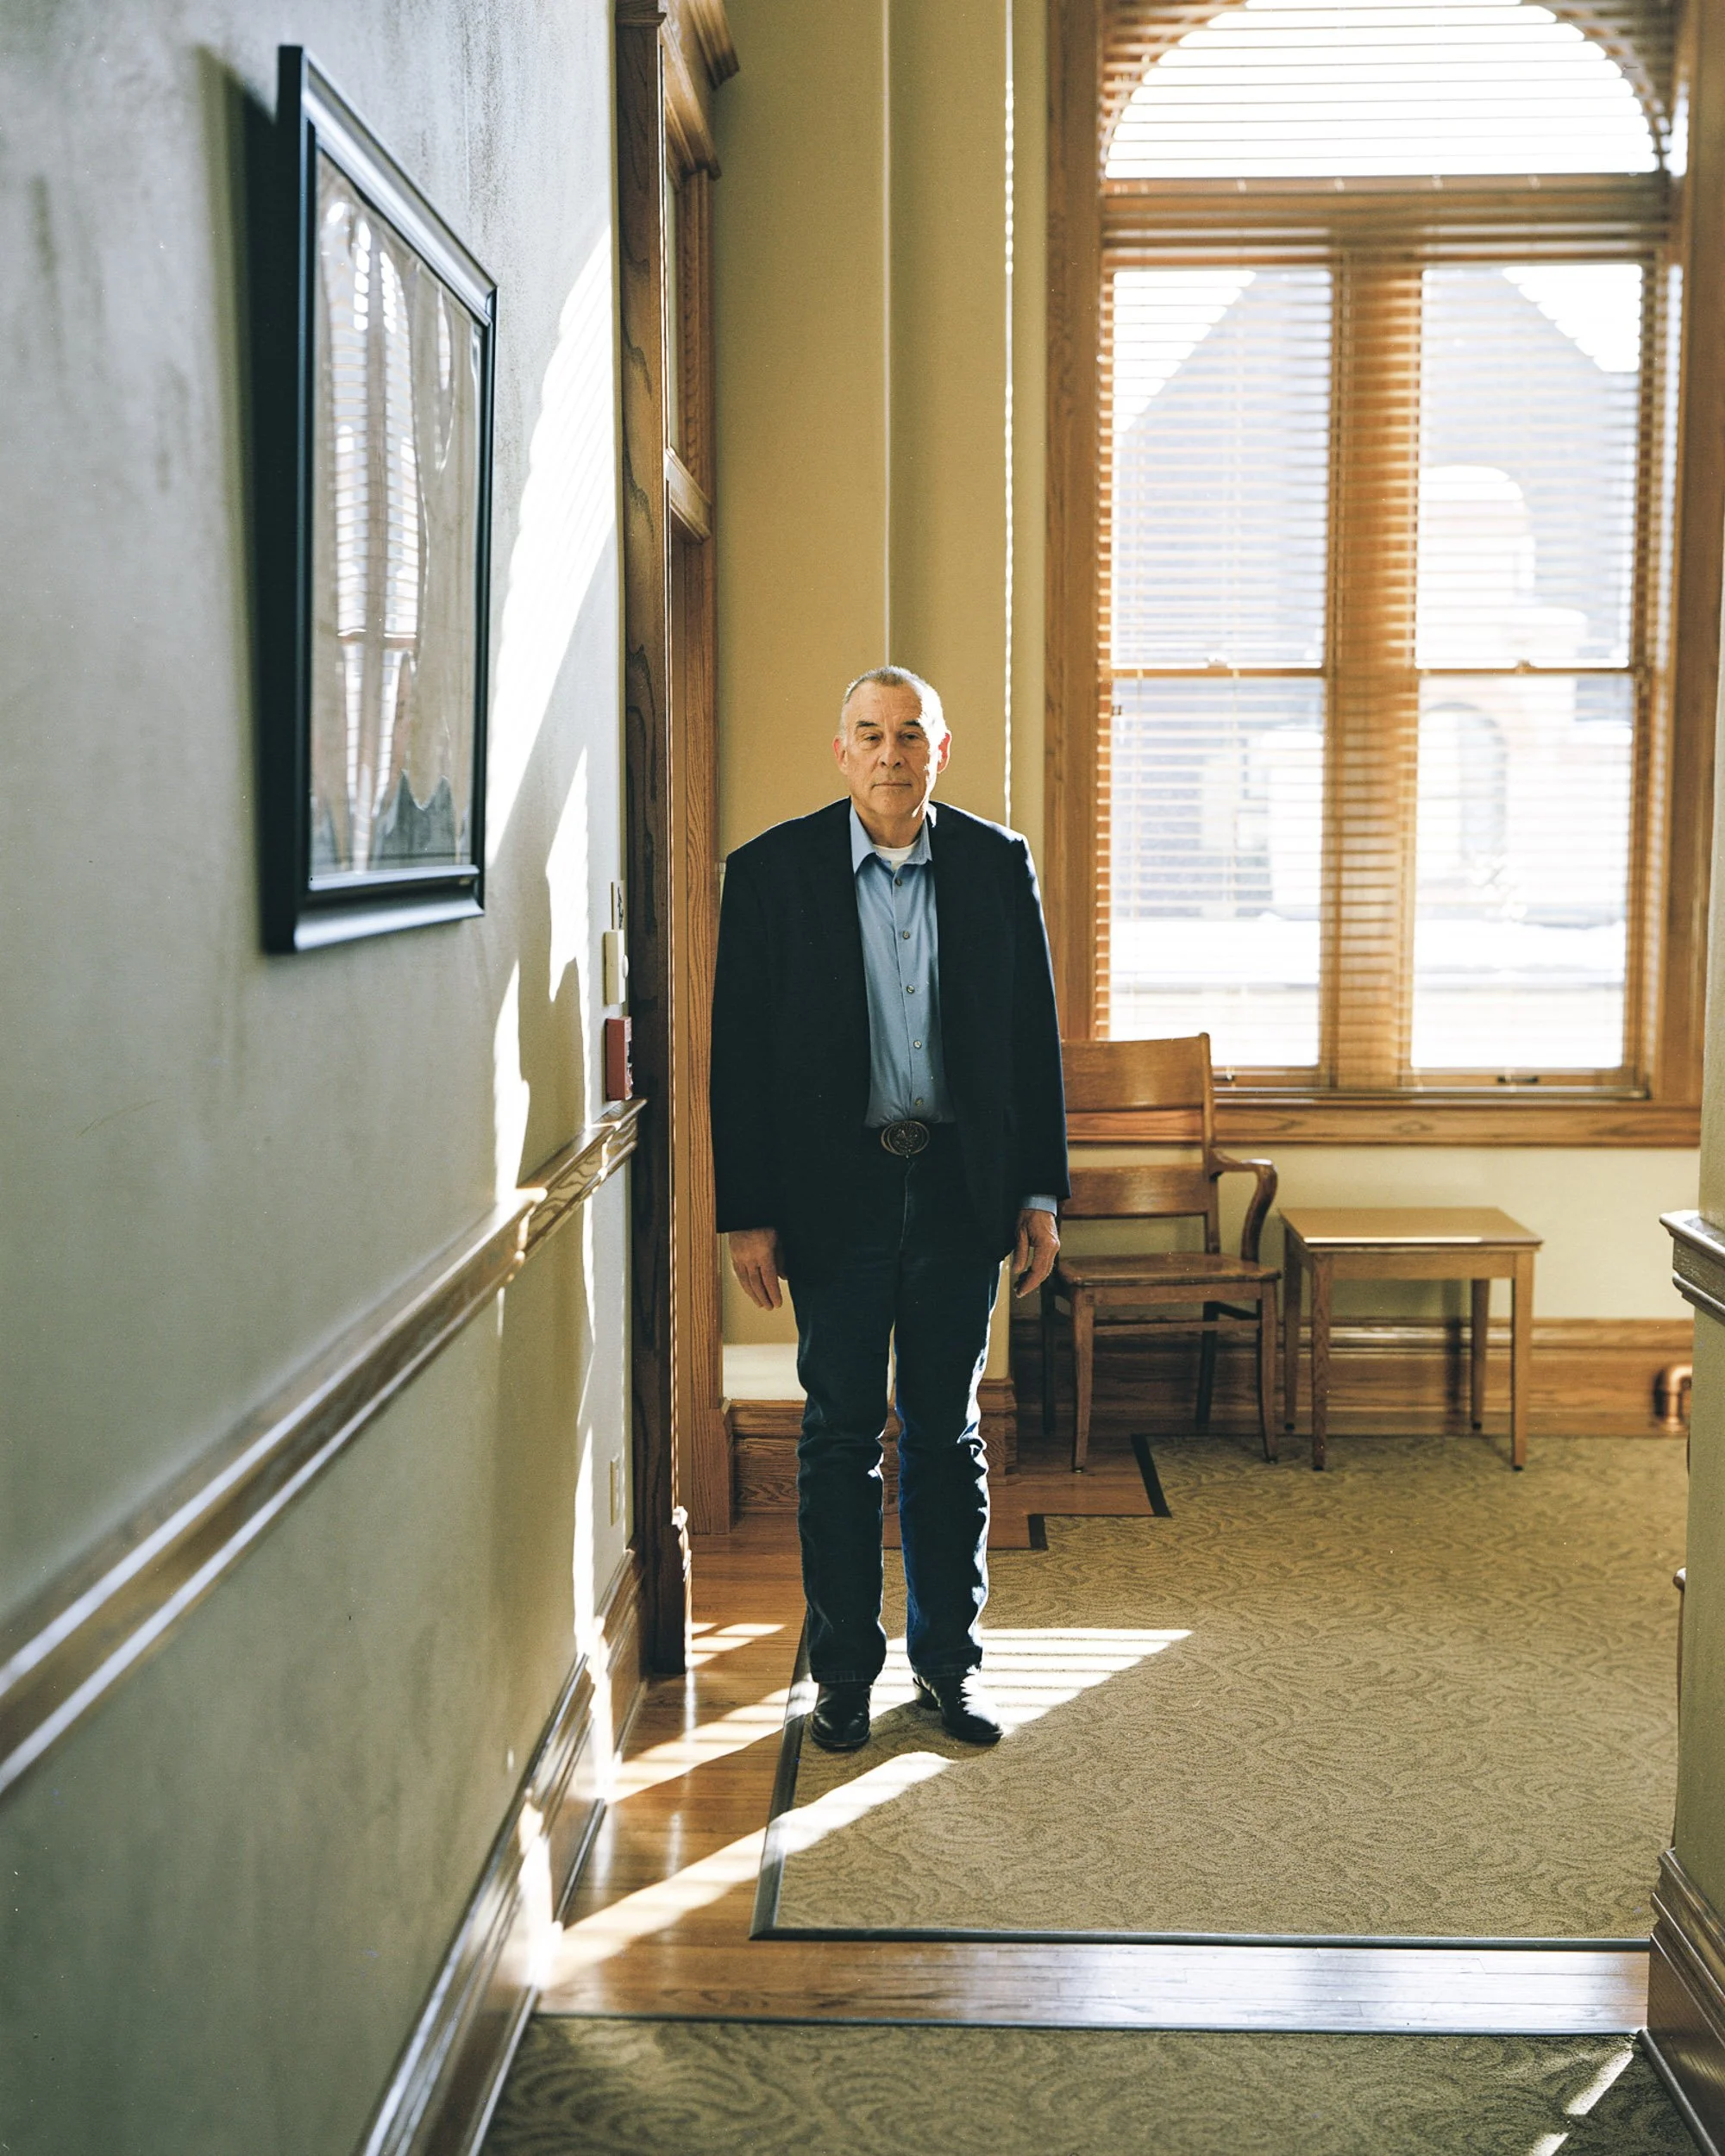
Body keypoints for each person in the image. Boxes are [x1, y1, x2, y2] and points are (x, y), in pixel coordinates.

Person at [710, 666, 1068, 1752]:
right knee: (835, 1439)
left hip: (960, 1191)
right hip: (835, 1198)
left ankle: (947, 1669)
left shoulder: (996, 866)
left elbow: (1030, 1041)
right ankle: (843, 1677)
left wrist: (1038, 1192)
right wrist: (746, 1212)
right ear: (840, 751)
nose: (890, 753)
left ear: (938, 753)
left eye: (910, 735)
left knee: (948, 1437)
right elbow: (740, 1059)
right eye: (869, 733)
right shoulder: (771, 874)